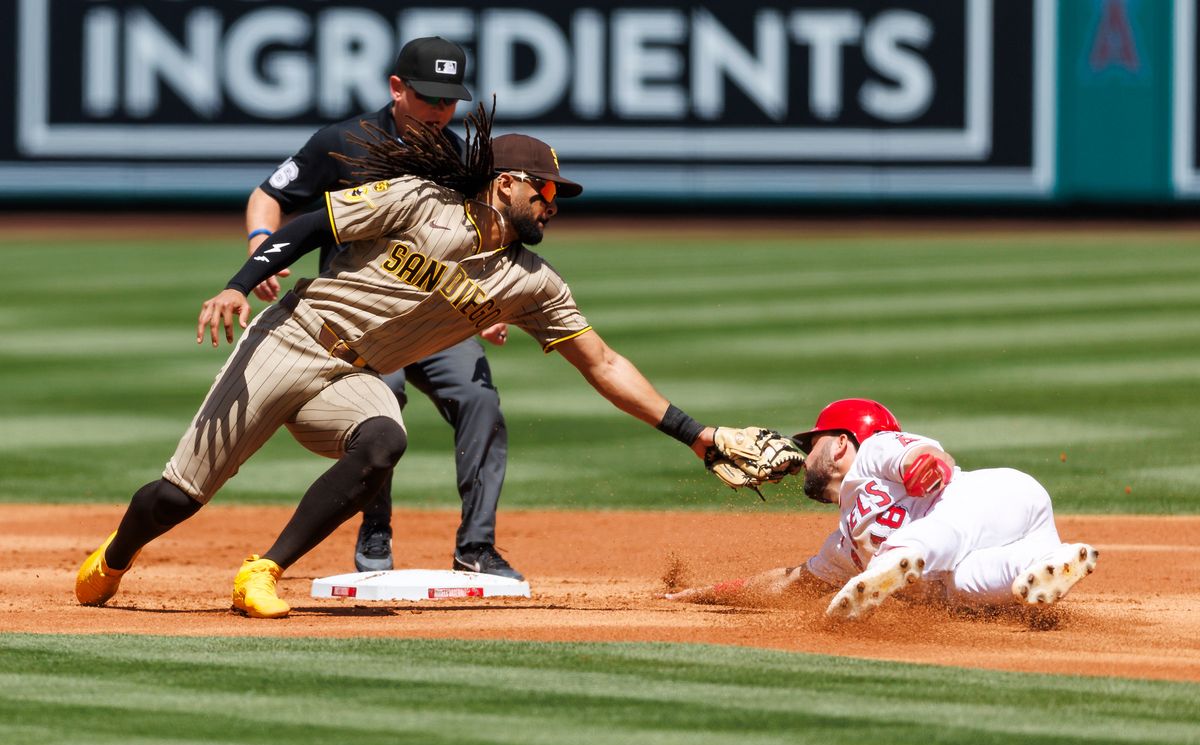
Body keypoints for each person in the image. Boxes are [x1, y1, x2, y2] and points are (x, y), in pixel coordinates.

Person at [75, 115, 728, 619]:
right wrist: (238, 285)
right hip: (292, 338)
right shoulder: (421, 202)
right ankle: (114, 556)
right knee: (177, 496)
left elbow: (605, 363)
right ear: (506, 183)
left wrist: (696, 435)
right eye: (546, 189)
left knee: (385, 439)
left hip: (353, 376)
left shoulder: (534, 284)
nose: (553, 204)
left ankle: (263, 572)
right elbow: (309, 228)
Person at [245, 36, 518, 578]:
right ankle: (374, 529)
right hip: (361, 320)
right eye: (429, 98)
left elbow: (479, 238)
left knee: (480, 401)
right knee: (380, 407)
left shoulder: (459, 157)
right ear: (397, 88)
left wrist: (488, 303)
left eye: (449, 101)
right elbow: (269, 195)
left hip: (436, 315)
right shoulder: (343, 141)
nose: (441, 111)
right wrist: (261, 246)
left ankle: (477, 548)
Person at [667, 398, 1099, 620]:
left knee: (941, 531)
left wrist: (922, 464)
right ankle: (1050, 561)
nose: (804, 454)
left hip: (994, 498)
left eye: (810, 443)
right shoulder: (843, 545)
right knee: (960, 588)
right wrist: (697, 594)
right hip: (1006, 542)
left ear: (840, 443)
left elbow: (918, 453)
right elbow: (787, 582)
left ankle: (895, 564)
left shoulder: (872, 453)